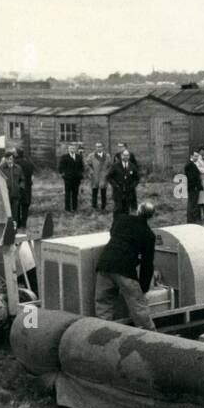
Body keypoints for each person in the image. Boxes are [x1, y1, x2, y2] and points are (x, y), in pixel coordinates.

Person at [94, 199, 158, 329]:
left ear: (138, 210)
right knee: (138, 306)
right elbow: (147, 264)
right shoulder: (148, 234)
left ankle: (103, 334)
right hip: (125, 269)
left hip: (105, 264)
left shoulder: (121, 219)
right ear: (151, 216)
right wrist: (143, 288)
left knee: (103, 304)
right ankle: (151, 337)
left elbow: (114, 234)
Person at [107, 148, 140, 215]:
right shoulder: (115, 165)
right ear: (121, 156)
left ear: (129, 156)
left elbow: (137, 179)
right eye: (124, 155)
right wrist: (115, 185)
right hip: (118, 192)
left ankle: (125, 223)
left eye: (127, 155)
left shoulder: (132, 166)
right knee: (118, 209)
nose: (126, 157)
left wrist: (132, 186)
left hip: (128, 192)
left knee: (126, 210)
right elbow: (109, 177)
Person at [58, 143, 83, 212]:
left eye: (73, 148)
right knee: (68, 194)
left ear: (75, 149)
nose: (72, 149)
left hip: (77, 178)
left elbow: (81, 167)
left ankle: (75, 208)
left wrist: (80, 175)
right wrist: (64, 175)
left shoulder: (79, 157)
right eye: (71, 148)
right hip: (68, 178)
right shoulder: (64, 157)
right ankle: (67, 209)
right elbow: (60, 168)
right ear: (68, 149)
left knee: (75, 193)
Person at [87, 141, 111, 211]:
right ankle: (94, 206)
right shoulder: (91, 156)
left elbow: (110, 166)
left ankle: (103, 207)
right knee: (95, 191)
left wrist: (107, 173)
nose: (98, 148)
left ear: (103, 147)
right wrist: (91, 171)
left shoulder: (107, 156)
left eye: (100, 146)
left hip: (103, 176)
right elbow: (87, 164)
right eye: (97, 147)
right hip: (95, 176)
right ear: (95, 147)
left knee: (103, 192)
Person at [185, 151, 203, 222]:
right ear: (191, 156)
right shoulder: (189, 165)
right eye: (195, 156)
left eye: (197, 156)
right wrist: (195, 186)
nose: (197, 157)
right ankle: (191, 219)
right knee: (192, 203)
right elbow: (191, 178)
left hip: (194, 187)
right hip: (193, 187)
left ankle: (192, 219)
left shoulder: (192, 164)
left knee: (193, 203)